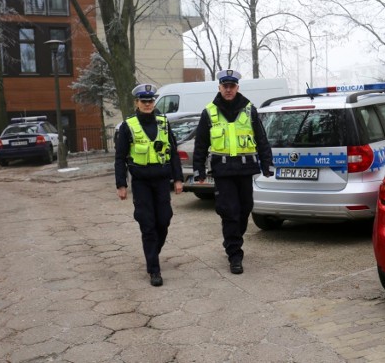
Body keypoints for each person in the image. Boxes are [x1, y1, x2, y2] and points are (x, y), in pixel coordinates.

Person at [192, 70, 274, 274]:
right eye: (225, 86)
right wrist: (198, 170)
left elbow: (261, 139)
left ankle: (233, 238)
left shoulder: (249, 110)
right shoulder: (209, 111)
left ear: (237, 87)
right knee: (230, 212)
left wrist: (267, 164)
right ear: (219, 87)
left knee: (245, 208)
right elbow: (201, 144)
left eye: (232, 86)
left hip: (245, 169)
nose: (228, 90)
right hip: (223, 171)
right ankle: (235, 255)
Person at [115, 83, 184, 287]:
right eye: (144, 101)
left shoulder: (163, 122)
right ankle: (154, 268)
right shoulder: (128, 125)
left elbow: (173, 152)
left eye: (151, 100)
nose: (148, 104)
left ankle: (152, 252)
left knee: (164, 220)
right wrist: (121, 184)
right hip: (142, 182)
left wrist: (178, 179)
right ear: (136, 103)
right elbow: (120, 157)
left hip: (162, 181)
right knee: (148, 225)